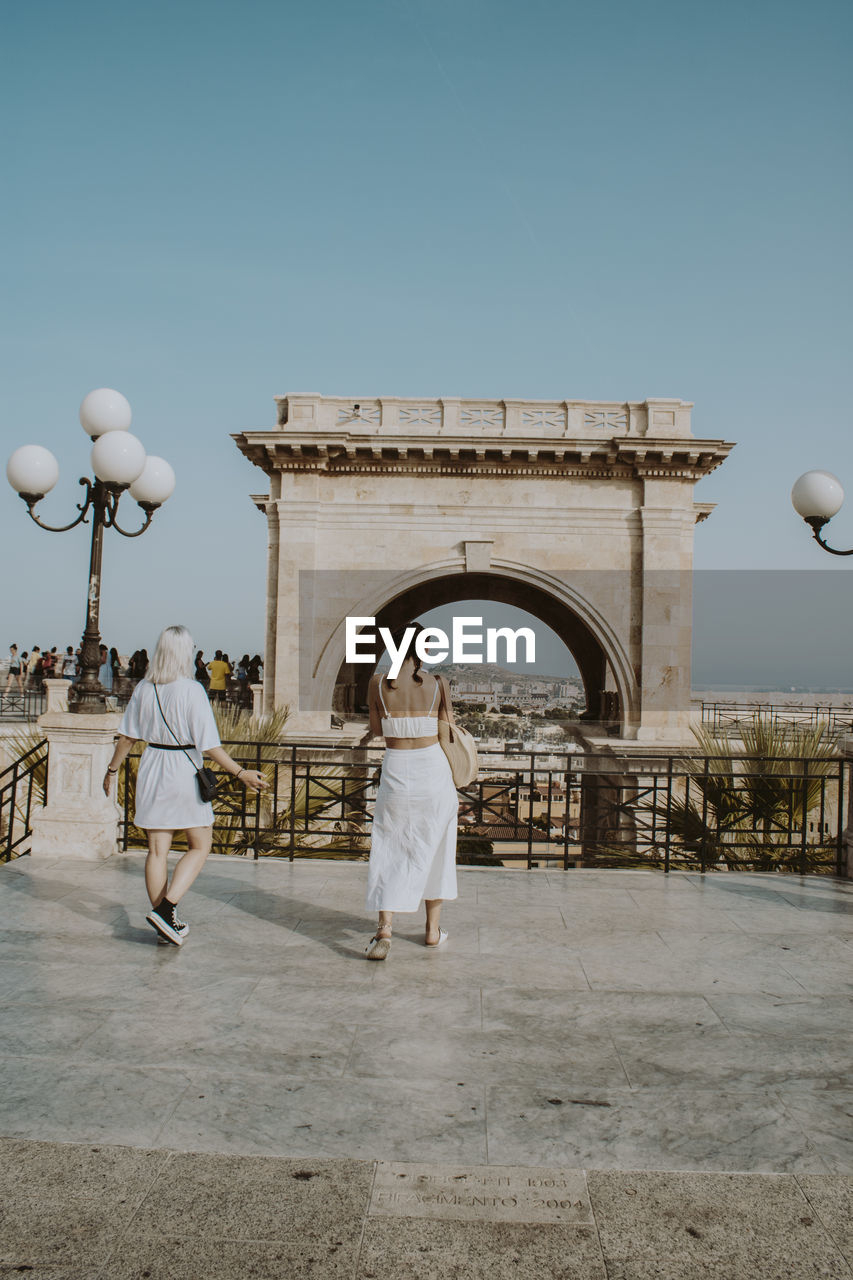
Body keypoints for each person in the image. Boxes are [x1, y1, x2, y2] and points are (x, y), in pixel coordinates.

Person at [103, 625, 268, 945]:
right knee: (200, 844)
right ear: (185, 654)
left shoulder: (144, 689)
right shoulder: (192, 691)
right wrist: (241, 773)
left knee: (156, 850)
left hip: (153, 766)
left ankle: (165, 921)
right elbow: (209, 745)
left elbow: (127, 738)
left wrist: (112, 771)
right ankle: (166, 911)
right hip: (183, 770)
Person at [361, 623, 459, 960]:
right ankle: (432, 930)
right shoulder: (438, 684)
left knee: (390, 844)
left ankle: (384, 931)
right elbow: (448, 733)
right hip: (432, 770)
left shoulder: (377, 684)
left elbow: (377, 729)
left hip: (397, 769)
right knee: (437, 846)